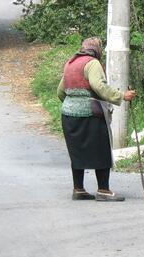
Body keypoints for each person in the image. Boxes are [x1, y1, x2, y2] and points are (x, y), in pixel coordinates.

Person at [57, 37, 136, 201]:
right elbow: (98, 86)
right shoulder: (92, 63)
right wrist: (121, 96)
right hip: (90, 115)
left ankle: (78, 189)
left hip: (68, 116)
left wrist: (73, 103)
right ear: (97, 50)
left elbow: (61, 92)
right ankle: (103, 191)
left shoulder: (70, 63)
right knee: (102, 149)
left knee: (77, 153)